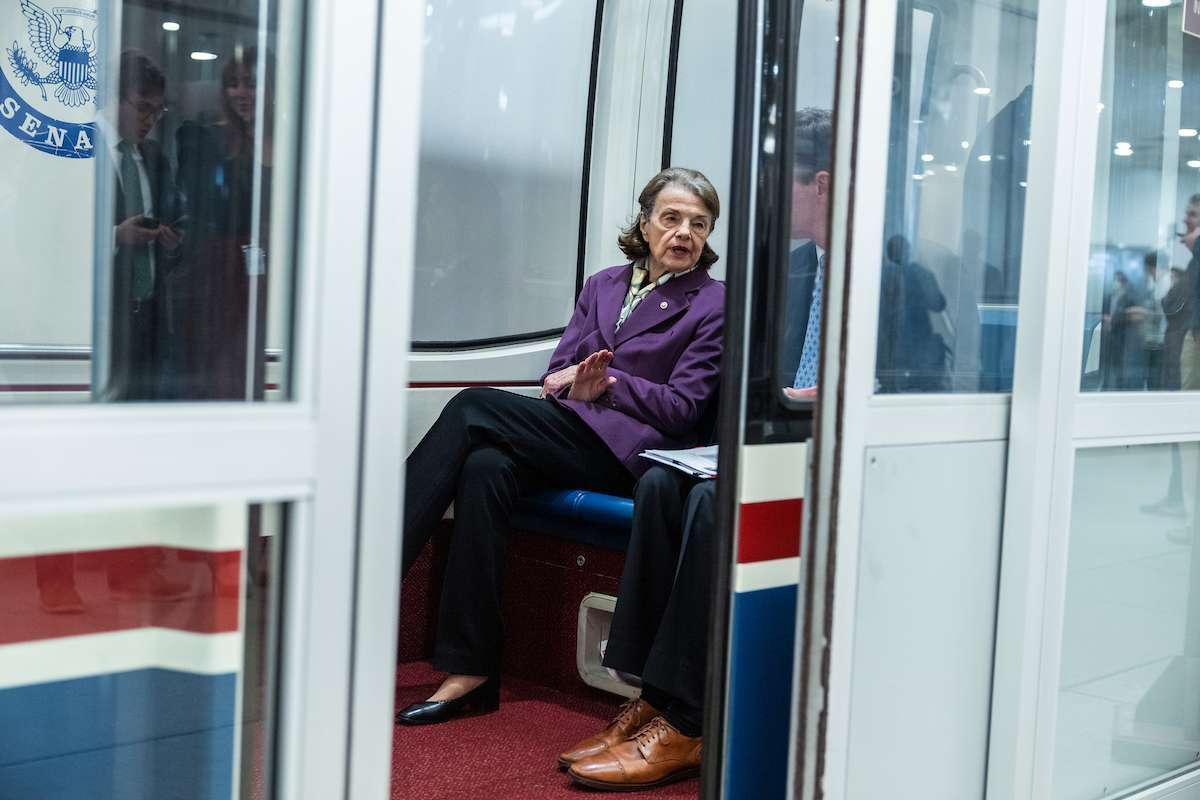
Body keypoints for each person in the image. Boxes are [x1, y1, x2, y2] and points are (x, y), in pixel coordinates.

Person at [559, 108, 834, 791]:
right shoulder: (793, 269)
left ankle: (686, 722)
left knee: (712, 504)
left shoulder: (893, 275)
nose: (769, 204)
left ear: (823, 186)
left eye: (785, 186)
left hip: (832, 450)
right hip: (778, 436)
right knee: (657, 482)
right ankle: (651, 691)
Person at [395, 167, 725, 725]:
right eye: (670, 219)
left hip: (634, 457)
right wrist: (578, 382)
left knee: (474, 406)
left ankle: (370, 570)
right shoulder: (603, 284)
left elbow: (684, 409)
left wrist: (609, 385)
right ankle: (471, 669)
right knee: (484, 466)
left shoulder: (711, 303)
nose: (683, 234)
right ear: (644, 225)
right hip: (576, 432)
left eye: (699, 224)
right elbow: (558, 372)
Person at [173, 48, 273, 400]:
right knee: (222, 365)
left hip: (273, 273)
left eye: (251, 84)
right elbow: (204, 207)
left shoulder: (291, 142)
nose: (242, 94)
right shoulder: (205, 139)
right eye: (233, 85)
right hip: (224, 271)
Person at [100, 50, 186, 401]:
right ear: (113, 98)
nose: (151, 120)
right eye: (142, 108)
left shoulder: (155, 159)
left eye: (158, 110)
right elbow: (52, 240)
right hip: (104, 324)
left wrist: (174, 240)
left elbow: (179, 218)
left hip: (150, 323)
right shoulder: (79, 150)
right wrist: (116, 237)